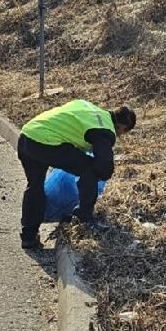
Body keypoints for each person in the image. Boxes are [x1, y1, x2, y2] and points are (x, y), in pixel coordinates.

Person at [17, 99, 137, 249]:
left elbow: (70, 126)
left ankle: (28, 236)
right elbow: (104, 167)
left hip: (27, 135)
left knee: (35, 185)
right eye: (122, 133)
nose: (119, 136)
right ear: (122, 127)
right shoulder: (105, 130)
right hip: (46, 143)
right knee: (90, 169)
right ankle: (83, 217)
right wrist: (98, 176)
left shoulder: (89, 106)